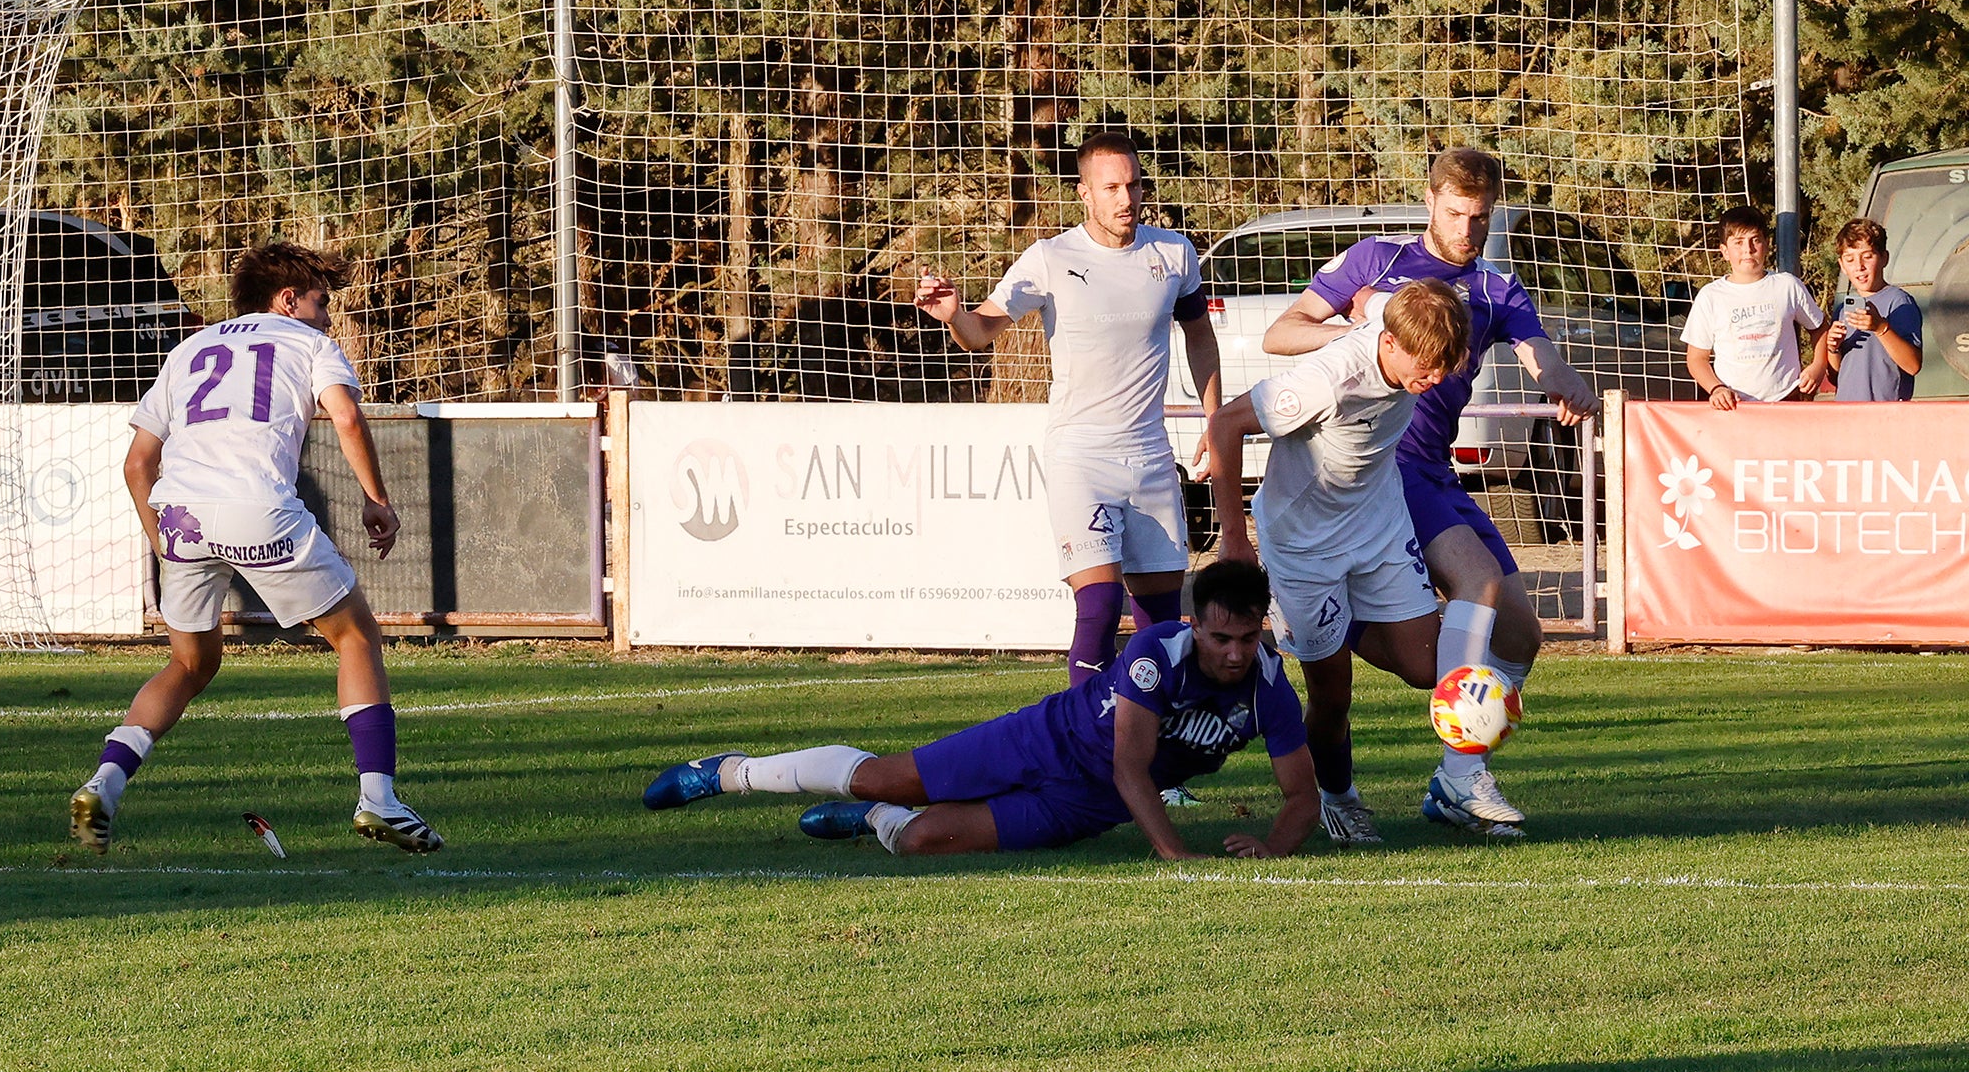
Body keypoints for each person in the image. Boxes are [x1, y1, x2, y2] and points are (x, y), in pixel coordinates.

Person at [1259, 147, 1598, 831]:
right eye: (1455, 214)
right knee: (1479, 585)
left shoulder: (1498, 291)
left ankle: (1338, 626)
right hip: (1387, 466)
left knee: (1521, 634)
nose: (1468, 230)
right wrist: (1363, 326)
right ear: (1429, 200)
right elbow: (1280, 331)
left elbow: (1541, 356)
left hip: (1436, 469)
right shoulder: (1374, 262)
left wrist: (1567, 384)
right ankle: (1461, 773)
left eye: (1480, 217)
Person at [67, 244, 443, 855]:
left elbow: (139, 461)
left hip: (180, 515)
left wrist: (161, 538)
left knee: (190, 664)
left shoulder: (190, 348)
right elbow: (346, 417)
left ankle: (103, 784)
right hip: (256, 509)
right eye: (322, 302)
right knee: (354, 636)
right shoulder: (307, 343)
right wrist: (377, 498)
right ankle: (379, 799)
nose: (328, 316)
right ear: (288, 300)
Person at [642, 560, 1317, 861]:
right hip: (1042, 742)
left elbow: (1300, 796)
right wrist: (1172, 851)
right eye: (1220, 636)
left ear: (1262, 628)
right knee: (884, 773)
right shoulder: (1153, 653)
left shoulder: (1267, 685)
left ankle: (875, 823)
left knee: (922, 840)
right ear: (1194, 625)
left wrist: (1274, 846)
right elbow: (1132, 767)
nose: (1234, 652)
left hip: (1082, 805)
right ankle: (729, 771)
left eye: (1247, 636)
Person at [914, 132, 1222, 687]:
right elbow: (980, 331)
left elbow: (1199, 336)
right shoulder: (1051, 258)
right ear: (1085, 193)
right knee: (1101, 606)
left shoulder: (1173, 253)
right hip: (1081, 455)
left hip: (1151, 454)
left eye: (1132, 184)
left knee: (1162, 631)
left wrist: (1215, 419)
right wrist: (954, 314)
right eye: (1111, 188)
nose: (1126, 198)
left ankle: (1151, 764)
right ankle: (1082, 754)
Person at [1208, 280, 1510, 841]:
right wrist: (1233, 537)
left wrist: (1368, 298)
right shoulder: (1326, 380)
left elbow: (1370, 294)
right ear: (1389, 343)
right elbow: (1226, 423)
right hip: (1304, 546)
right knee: (1332, 694)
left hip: (1378, 525)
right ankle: (1337, 797)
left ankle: (1453, 783)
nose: (1436, 380)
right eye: (1427, 368)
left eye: (1445, 367)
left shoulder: (1404, 326)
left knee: (1427, 670)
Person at [1682, 204, 1830, 409]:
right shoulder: (1710, 296)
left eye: (1755, 240)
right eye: (1738, 242)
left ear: (1767, 244)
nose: (1748, 249)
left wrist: (1818, 366)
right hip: (1734, 407)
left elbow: (1820, 328)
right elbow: (1697, 358)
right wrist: (1716, 389)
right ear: (1724, 251)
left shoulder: (1788, 285)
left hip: (1786, 400)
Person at [1824, 217, 1922, 401]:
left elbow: (1913, 365)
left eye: (1867, 256)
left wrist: (1880, 328)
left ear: (1884, 258)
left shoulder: (1900, 302)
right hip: (1847, 413)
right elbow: (1836, 376)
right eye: (1850, 259)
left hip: (1885, 414)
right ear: (1842, 266)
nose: (1859, 267)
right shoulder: (1844, 308)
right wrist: (1832, 349)